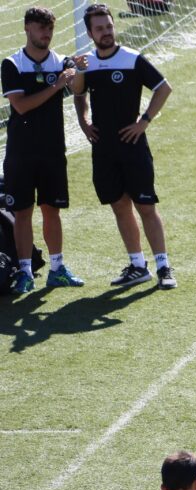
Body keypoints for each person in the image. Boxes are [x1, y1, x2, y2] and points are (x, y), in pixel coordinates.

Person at [71, 3, 176, 289]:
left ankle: (164, 266)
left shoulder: (131, 59)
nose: (106, 32)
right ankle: (137, 265)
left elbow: (163, 87)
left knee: (146, 205)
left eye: (108, 26)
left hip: (133, 146)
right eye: (100, 28)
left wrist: (144, 121)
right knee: (119, 205)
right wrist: (83, 121)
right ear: (90, 32)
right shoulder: (86, 63)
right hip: (103, 149)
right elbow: (77, 93)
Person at [2, 7, 84, 292]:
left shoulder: (63, 61)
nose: (46, 34)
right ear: (27, 29)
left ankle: (58, 268)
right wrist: (57, 85)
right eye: (40, 28)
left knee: (52, 210)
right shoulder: (12, 64)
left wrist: (81, 71)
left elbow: (79, 90)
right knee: (22, 213)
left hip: (52, 151)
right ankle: (25, 271)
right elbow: (21, 106)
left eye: (49, 28)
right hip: (20, 153)